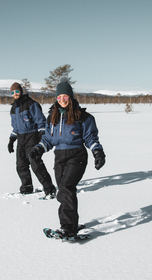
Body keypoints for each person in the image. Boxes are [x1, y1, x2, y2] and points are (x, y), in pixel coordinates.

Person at [29, 77, 106, 238]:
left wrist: (97, 152)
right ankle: (72, 222)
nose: (62, 100)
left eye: (65, 96)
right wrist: (38, 149)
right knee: (65, 192)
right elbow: (49, 140)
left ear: (70, 97)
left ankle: (68, 227)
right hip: (59, 157)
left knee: (66, 188)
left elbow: (91, 138)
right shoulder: (52, 117)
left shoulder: (82, 117)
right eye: (59, 97)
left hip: (77, 156)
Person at [8, 82, 56, 197]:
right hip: (21, 139)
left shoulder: (32, 104)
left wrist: (42, 135)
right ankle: (26, 187)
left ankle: (49, 188)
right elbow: (15, 127)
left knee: (35, 163)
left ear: (21, 91)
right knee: (21, 165)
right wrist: (11, 139)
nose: (15, 94)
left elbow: (41, 122)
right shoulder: (13, 108)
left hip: (32, 137)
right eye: (13, 92)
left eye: (17, 91)